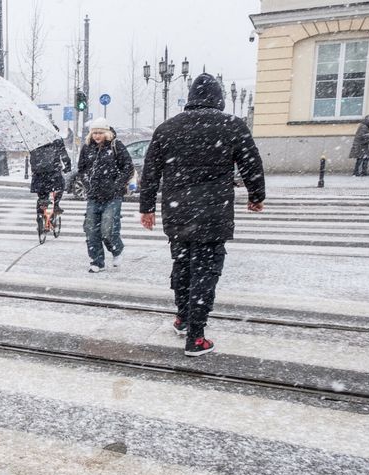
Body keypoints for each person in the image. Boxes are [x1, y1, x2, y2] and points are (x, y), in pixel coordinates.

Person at [139, 73, 266, 357]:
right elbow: (251, 163)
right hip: (213, 210)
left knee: (182, 265)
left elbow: (150, 173)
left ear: (191, 97)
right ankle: (196, 337)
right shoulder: (232, 126)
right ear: (218, 98)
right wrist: (256, 196)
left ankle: (183, 318)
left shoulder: (167, 129)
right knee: (205, 271)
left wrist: (146, 207)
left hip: (178, 211)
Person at [77, 118, 134, 272]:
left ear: (107, 133)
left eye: (100, 132)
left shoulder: (116, 146)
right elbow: (81, 170)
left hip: (113, 196)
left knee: (107, 229)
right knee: (90, 229)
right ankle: (97, 262)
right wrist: (88, 185)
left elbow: (128, 167)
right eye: (94, 132)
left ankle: (117, 250)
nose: (97, 135)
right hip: (94, 195)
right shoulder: (87, 148)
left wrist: (116, 186)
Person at [29, 135, 73, 214]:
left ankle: (40, 218)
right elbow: (64, 155)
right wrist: (67, 167)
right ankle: (56, 205)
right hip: (53, 172)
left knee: (42, 197)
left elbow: (32, 157)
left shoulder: (34, 139)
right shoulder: (57, 138)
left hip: (38, 174)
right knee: (60, 187)